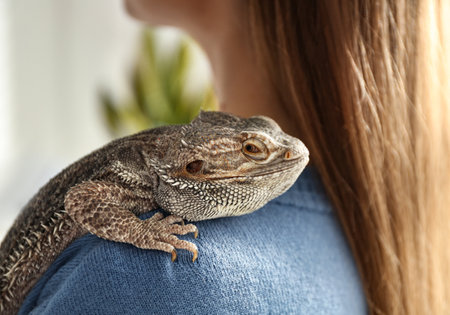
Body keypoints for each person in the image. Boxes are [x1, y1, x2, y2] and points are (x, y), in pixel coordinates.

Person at [20, 1, 449, 314]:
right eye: (252, 147)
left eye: (253, 149)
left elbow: (81, 203)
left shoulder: (144, 279)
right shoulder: (353, 228)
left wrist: (142, 235)